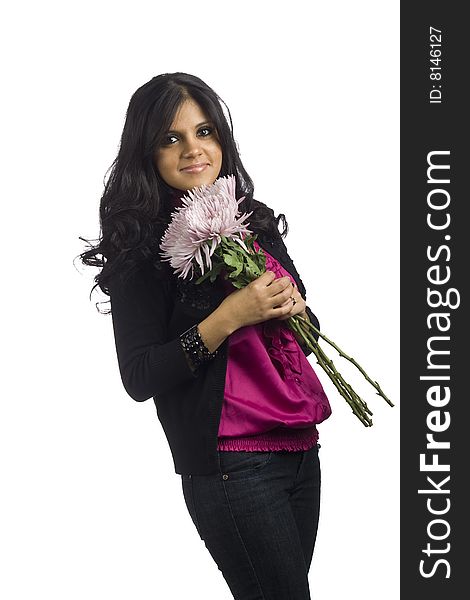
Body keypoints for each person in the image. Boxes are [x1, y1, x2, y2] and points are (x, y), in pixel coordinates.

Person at [79, 72, 332, 600]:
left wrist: (298, 311)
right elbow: (140, 375)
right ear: (146, 154)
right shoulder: (140, 252)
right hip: (232, 465)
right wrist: (230, 314)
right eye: (170, 139)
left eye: (204, 132)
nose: (192, 149)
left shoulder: (250, 222)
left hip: (301, 447)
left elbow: (306, 338)